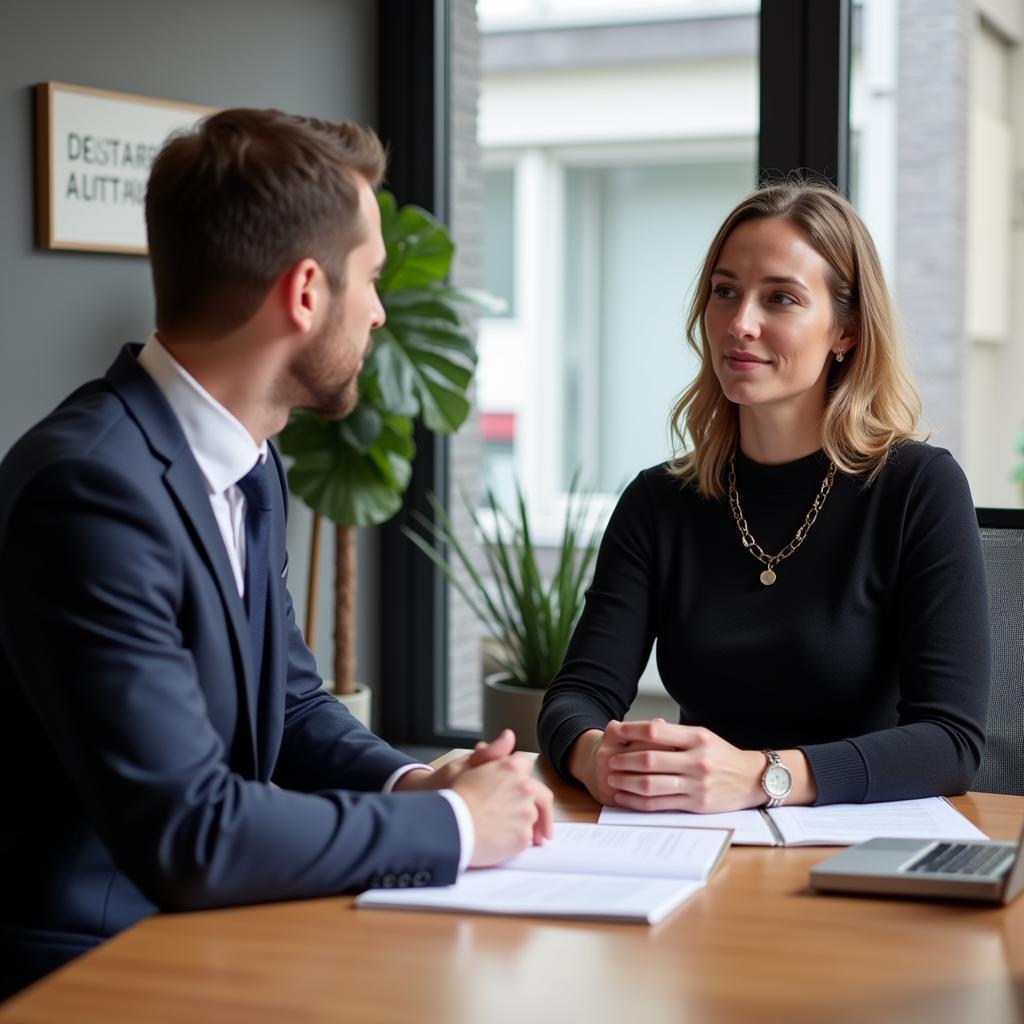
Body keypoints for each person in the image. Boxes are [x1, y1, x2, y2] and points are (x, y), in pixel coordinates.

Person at [0, 108, 552, 998]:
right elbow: (190, 831)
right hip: (88, 969)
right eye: (369, 279)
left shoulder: (248, 460)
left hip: (207, 939)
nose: (378, 311)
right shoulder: (89, 493)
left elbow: (288, 704)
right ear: (304, 293)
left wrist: (415, 780)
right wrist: (453, 827)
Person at [538, 179, 990, 816]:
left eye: (780, 298)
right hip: (694, 843)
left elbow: (951, 742)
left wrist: (762, 776)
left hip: (860, 847)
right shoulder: (658, 502)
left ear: (848, 331)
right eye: (725, 292)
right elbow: (576, 697)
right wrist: (599, 758)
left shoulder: (919, 489)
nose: (740, 324)